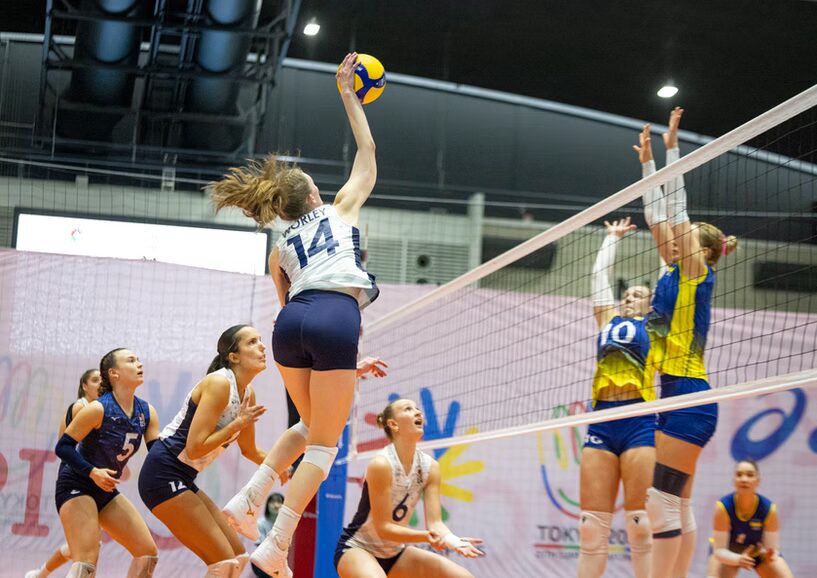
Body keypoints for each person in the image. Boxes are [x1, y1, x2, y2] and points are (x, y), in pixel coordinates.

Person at [211, 52, 382, 578]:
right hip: (333, 314)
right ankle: (276, 542)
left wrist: (335, 354)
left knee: (310, 424)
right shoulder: (341, 208)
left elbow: (289, 306)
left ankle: (248, 497)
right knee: (326, 443)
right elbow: (368, 151)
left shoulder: (279, 243)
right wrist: (348, 95)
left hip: (290, 324)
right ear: (313, 194)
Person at [634, 107, 738, 578]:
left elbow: (677, 212)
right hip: (677, 394)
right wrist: (650, 163)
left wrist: (676, 151)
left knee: (661, 501)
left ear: (705, 251)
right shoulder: (673, 271)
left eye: (687, 238)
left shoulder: (698, 274)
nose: (675, 239)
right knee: (676, 501)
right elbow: (659, 214)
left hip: (690, 398)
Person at [137, 324, 272, 577]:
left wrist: (286, 466)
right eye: (252, 342)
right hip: (163, 474)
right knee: (223, 562)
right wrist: (237, 423)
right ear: (233, 357)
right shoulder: (219, 383)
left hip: (182, 477)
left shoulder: (247, 393)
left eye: (261, 340)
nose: (263, 346)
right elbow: (195, 447)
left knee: (238, 557)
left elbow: (250, 450)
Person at [578, 217, 656, 578]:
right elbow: (599, 281)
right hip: (603, 419)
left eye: (638, 294)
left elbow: (668, 277)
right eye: (628, 294)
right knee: (591, 526)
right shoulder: (607, 320)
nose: (629, 297)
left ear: (650, 304)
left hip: (639, 420)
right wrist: (611, 239)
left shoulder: (655, 328)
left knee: (640, 522)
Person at [335, 398, 483, 577]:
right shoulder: (381, 464)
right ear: (393, 424)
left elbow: (436, 523)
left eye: (418, 409)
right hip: (359, 548)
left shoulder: (431, 467)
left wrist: (452, 540)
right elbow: (384, 528)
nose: (418, 412)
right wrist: (426, 537)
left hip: (395, 553)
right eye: (408, 409)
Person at [54, 349, 160, 578]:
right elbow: (62, 447)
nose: (139, 363)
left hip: (105, 490)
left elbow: (158, 456)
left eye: (139, 359)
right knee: (86, 562)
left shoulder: (146, 411)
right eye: (131, 360)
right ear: (114, 373)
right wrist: (92, 472)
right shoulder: (98, 408)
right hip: (77, 485)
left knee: (147, 554)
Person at [26, 369, 102, 578]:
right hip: (78, 478)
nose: (100, 384)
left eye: (102, 380)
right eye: (95, 380)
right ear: (84, 386)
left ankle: (39, 574)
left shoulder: (102, 409)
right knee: (85, 555)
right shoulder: (81, 407)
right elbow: (65, 447)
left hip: (93, 479)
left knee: (79, 547)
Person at [710, 460, 794, 578]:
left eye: (750, 475)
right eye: (739, 475)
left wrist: (769, 554)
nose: (744, 479)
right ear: (734, 480)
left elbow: (772, 549)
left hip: (758, 553)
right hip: (728, 553)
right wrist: (738, 559)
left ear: (758, 481)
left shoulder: (768, 509)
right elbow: (719, 551)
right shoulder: (723, 507)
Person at [252, 493, 286, 578]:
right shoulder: (260, 524)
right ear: (267, 505)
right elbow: (260, 546)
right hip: (262, 562)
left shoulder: (285, 525)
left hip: (280, 563)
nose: (276, 505)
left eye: (279, 502)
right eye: (272, 502)